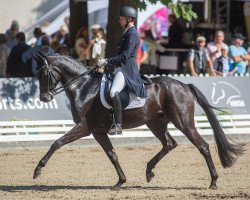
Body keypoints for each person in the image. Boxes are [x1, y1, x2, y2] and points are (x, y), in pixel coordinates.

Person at [97, 6, 147, 135]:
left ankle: (118, 125)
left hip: (126, 70)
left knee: (114, 92)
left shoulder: (132, 34)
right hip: (120, 68)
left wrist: (107, 61)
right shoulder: (127, 32)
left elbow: (125, 56)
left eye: (121, 18)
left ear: (129, 19)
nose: (119, 20)